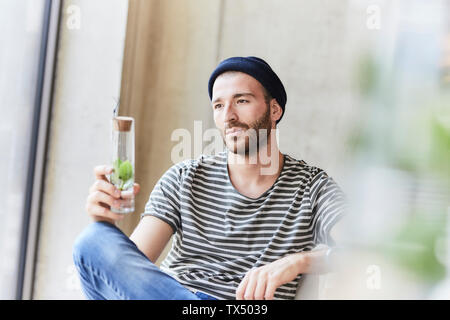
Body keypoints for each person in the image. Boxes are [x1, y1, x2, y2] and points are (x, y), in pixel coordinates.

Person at [73, 56, 347, 300]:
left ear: (274, 110)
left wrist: (296, 262)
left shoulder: (312, 187)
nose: (228, 116)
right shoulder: (184, 177)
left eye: (241, 101)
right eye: (218, 105)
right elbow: (132, 271)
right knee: (93, 240)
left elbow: (368, 249)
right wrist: (107, 223)